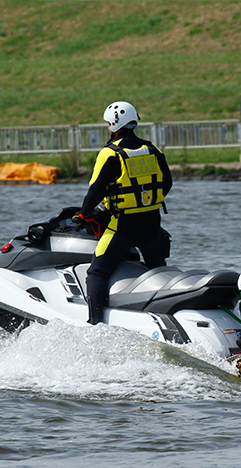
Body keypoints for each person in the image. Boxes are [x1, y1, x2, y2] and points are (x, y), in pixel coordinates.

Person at [73, 101, 172, 324]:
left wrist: (84, 213)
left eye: (108, 124)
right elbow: (166, 182)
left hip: (122, 227)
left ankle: (95, 324)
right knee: (157, 271)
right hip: (152, 225)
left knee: (96, 272)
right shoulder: (153, 150)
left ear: (114, 125)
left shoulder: (110, 153)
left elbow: (96, 189)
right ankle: (164, 317)